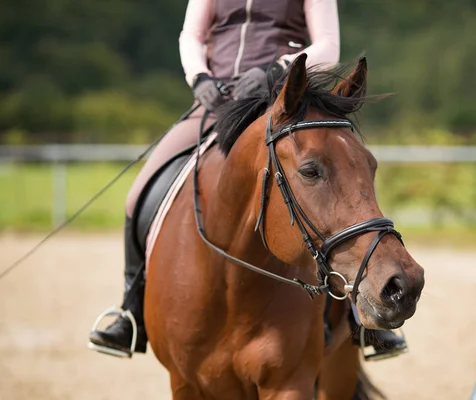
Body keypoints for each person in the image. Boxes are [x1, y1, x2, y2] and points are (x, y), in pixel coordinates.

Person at [88, 0, 407, 360]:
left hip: (282, 101)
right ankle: (132, 310)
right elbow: (191, 35)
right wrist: (200, 78)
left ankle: (357, 317)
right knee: (138, 195)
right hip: (216, 104)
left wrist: (276, 71)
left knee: (335, 185)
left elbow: (328, 45)